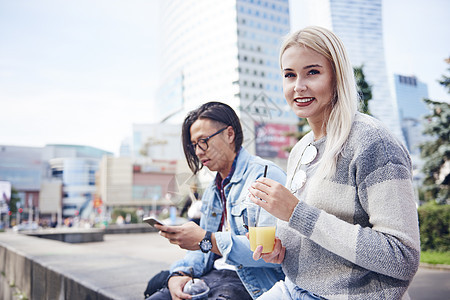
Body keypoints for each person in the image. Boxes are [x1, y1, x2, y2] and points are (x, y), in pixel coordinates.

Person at [248, 26, 420, 299]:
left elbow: (401, 257)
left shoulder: (373, 141)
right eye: (289, 75)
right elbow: (316, 235)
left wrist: (296, 213)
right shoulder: (301, 149)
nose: (298, 86)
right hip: (295, 289)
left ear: (336, 77)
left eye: (312, 72)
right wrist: (282, 250)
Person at [145, 101, 286, 300]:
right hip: (212, 275)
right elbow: (202, 249)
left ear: (230, 134)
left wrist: (206, 239)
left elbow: (271, 253)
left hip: (252, 282)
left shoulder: (265, 175)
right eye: (194, 145)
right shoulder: (213, 189)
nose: (199, 151)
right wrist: (180, 274)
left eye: (204, 140)